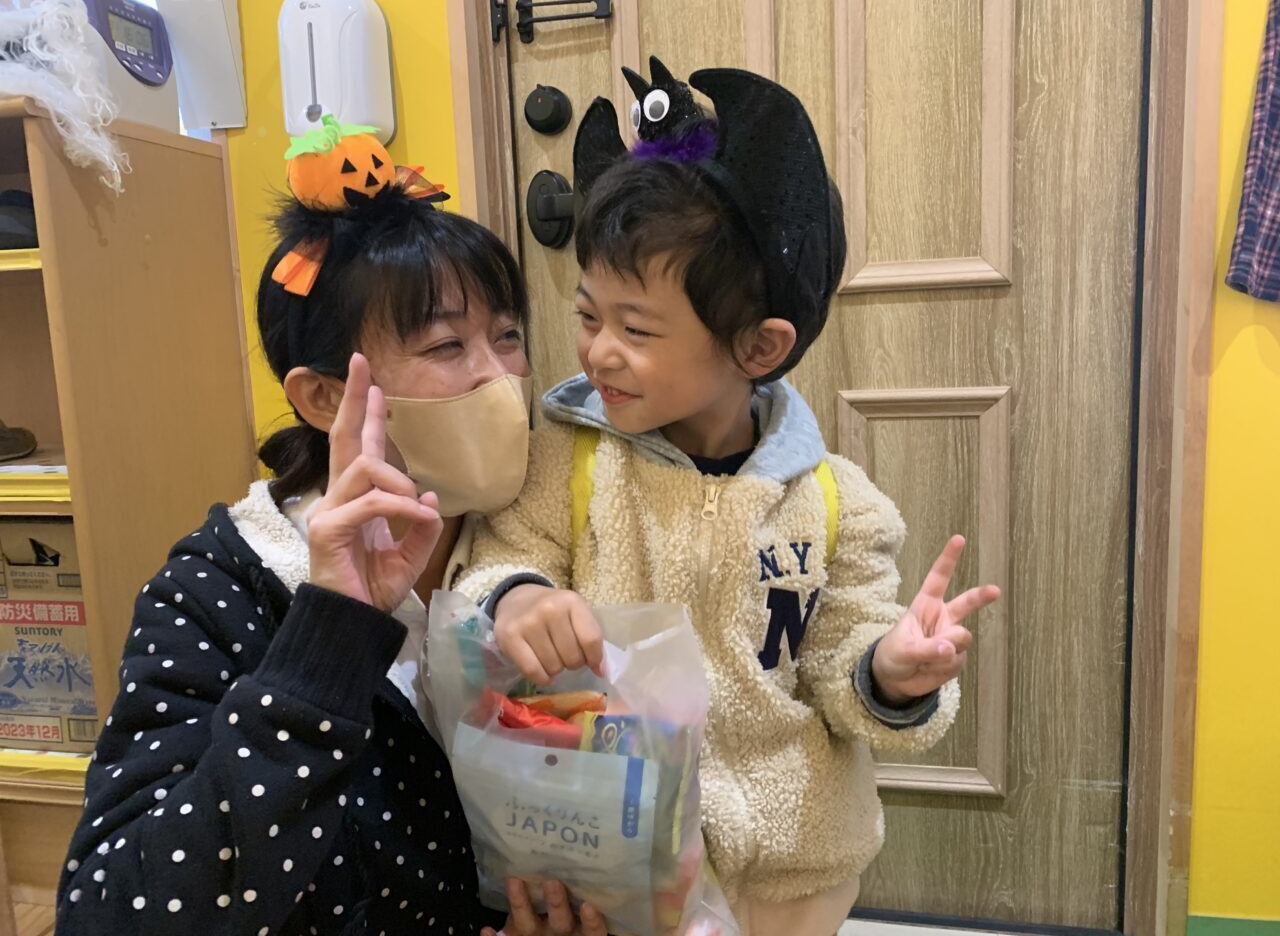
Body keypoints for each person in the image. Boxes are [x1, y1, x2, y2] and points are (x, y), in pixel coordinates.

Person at [453, 59, 1002, 936]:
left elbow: (842, 663)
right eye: (589, 316)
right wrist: (518, 597)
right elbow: (498, 556)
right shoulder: (568, 461)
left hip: (794, 875)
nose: (598, 352)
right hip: (615, 862)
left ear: (758, 347)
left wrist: (890, 674)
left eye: (636, 328)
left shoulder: (839, 505)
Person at [56, 119, 606, 936]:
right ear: (322, 398)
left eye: (508, 337)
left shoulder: (551, 533)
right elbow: (111, 916)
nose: (501, 379)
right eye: (446, 345)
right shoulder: (217, 590)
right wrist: (331, 636)